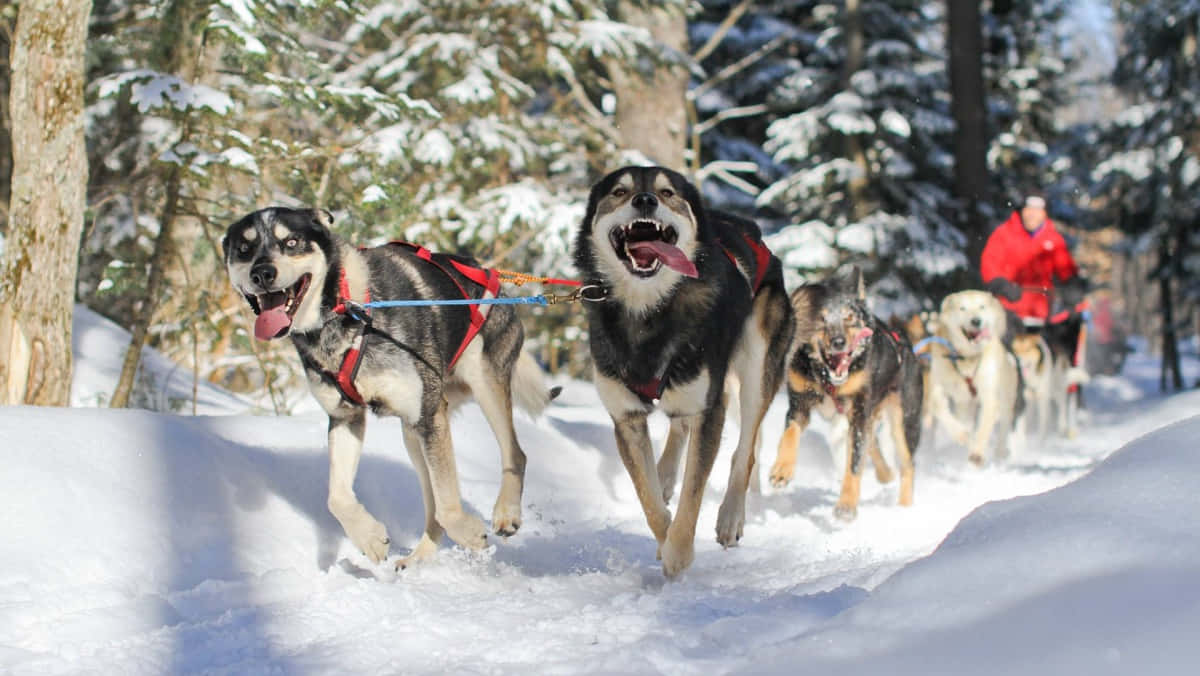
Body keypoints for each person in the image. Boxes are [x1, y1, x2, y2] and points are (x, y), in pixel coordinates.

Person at [980, 194, 1086, 323]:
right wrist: (1000, 284)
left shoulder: (1052, 239)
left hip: (1040, 311)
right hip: (1006, 307)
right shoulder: (1004, 234)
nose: (1032, 214)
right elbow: (990, 263)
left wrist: (1072, 287)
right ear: (1022, 211)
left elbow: (1065, 267)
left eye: (1037, 210)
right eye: (1029, 209)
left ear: (1044, 213)